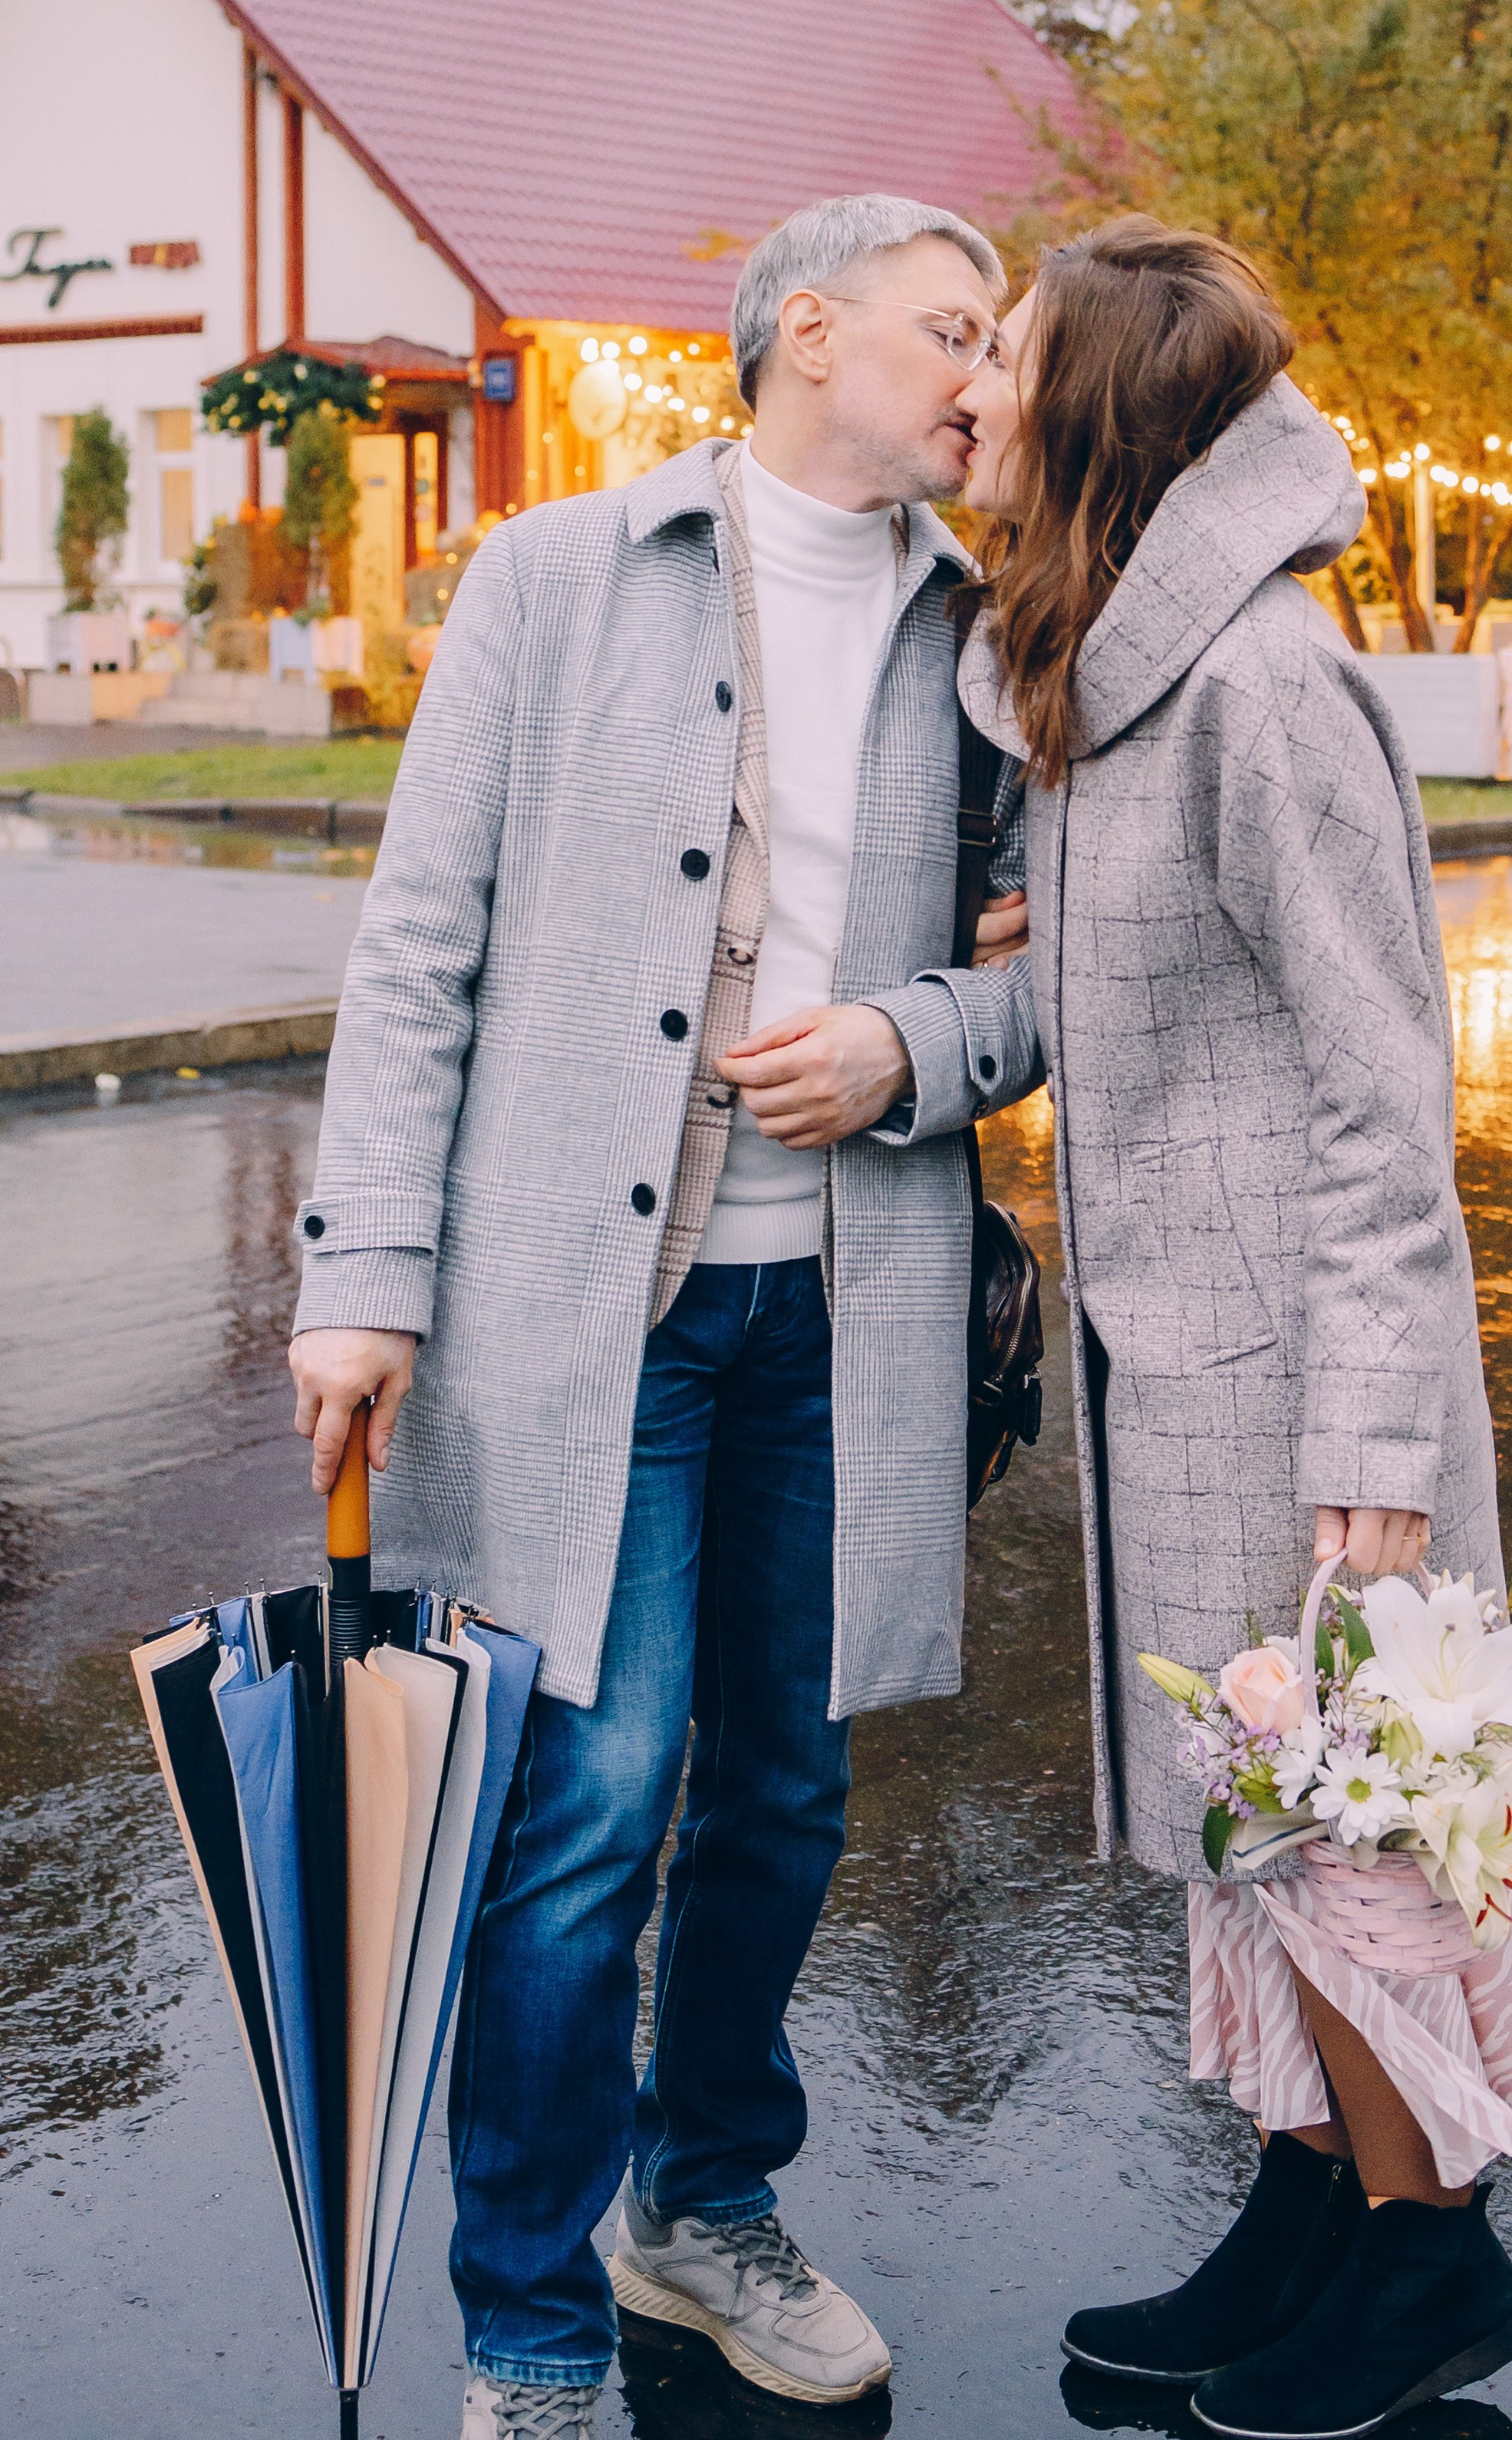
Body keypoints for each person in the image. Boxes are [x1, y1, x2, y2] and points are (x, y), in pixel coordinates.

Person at [286, 193, 1039, 2438]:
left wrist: (913, 1043)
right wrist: (363, 1275)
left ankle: (702, 2218)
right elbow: (422, 937)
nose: (985, 374)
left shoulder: (994, 633)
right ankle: (524, 2315)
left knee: (787, 1798)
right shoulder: (553, 577)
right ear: (810, 332)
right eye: (951, 328)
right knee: (590, 1807)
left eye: (994, 340)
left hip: (853, 1306)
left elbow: (1051, 966)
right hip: (583, 1318)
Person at [956, 218, 1512, 2440]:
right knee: (1262, 1846)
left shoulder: (1267, 688)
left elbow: (1380, 1084)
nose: (976, 387)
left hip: (1308, 1383)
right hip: (1179, 1370)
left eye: (1006, 352)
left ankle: (1430, 2264)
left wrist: (1383, 1449)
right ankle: (1306, 2213)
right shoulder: (1118, 682)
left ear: (1097, 401)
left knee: (1352, 1849)